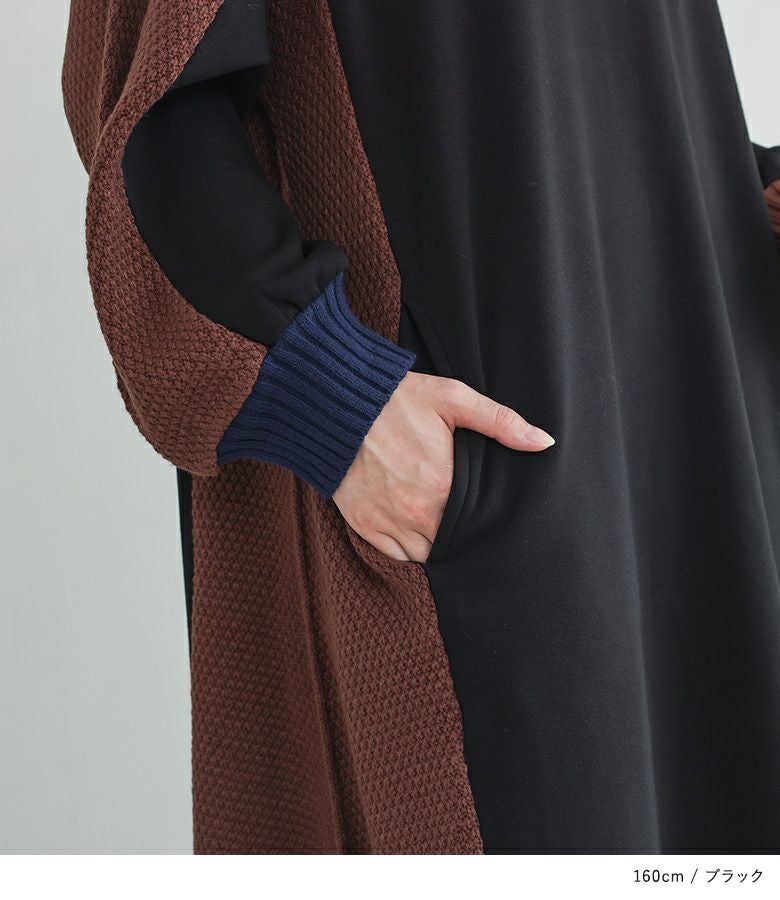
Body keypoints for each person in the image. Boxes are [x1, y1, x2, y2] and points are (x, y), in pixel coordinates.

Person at [62, 0, 780, 853]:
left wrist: (750, 189)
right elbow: (151, 112)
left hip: (698, 438)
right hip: (486, 509)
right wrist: (332, 393)